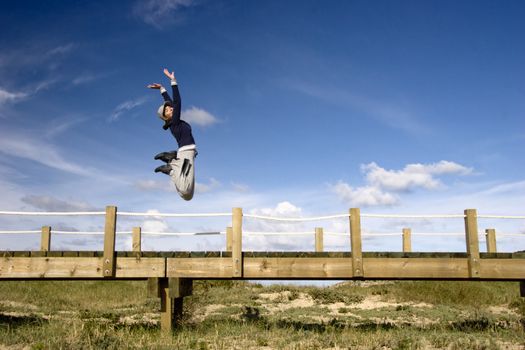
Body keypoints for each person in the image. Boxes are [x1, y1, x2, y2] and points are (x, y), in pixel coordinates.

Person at [147, 68, 196, 201]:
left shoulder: (175, 121)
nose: (171, 108)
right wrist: (173, 81)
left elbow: (171, 102)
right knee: (186, 192)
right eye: (168, 110)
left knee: (187, 194)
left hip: (186, 154)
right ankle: (171, 166)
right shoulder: (174, 123)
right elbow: (177, 101)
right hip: (186, 155)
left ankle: (171, 164)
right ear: (166, 117)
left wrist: (162, 89)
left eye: (170, 107)